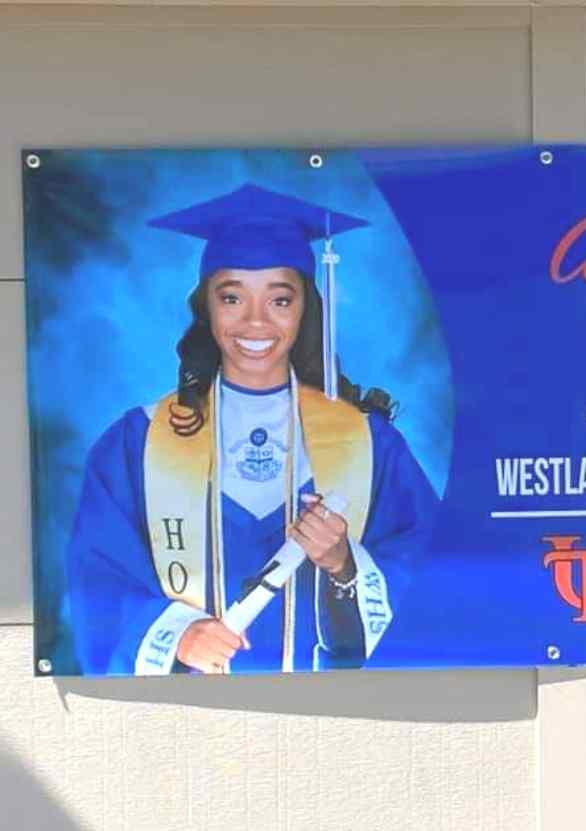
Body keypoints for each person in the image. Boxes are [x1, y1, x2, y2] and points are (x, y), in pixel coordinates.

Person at [66, 184, 437, 676]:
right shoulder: (137, 443)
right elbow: (97, 577)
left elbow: (433, 571)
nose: (255, 321)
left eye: (280, 300)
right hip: (184, 710)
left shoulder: (369, 444)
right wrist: (177, 634)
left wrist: (345, 565)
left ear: (305, 309)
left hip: (333, 708)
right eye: (232, 297)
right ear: (207, 307)